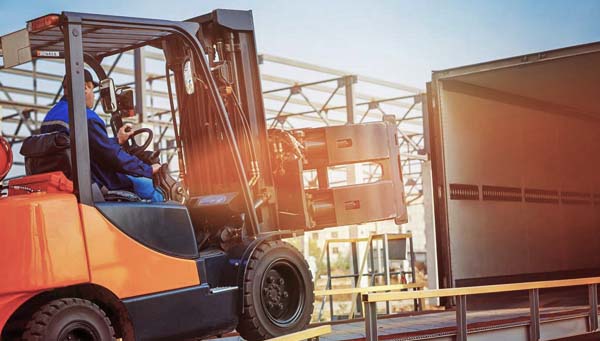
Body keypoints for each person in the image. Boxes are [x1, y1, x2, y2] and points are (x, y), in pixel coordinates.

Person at [41, 69, 164, 202]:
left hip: (66, 181)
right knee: (149, 186)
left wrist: (117, 140)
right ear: (84, 88)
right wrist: (147, 169)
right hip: (94, 182)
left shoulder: (51, 116)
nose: (94, 96)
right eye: (93, 91)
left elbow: (91, 146)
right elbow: (112, 156)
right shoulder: (86, 117)